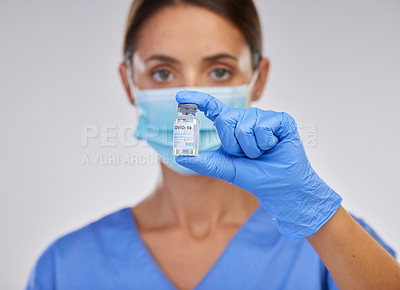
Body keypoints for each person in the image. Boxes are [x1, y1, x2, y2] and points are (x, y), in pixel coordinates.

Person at [26, 0, 400, 289]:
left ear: (258, 79)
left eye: (219, 71)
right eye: (163, 72)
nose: (190, 95)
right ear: (128, 83)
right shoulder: (66, 266)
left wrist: (318, 215)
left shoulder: (329, 247)